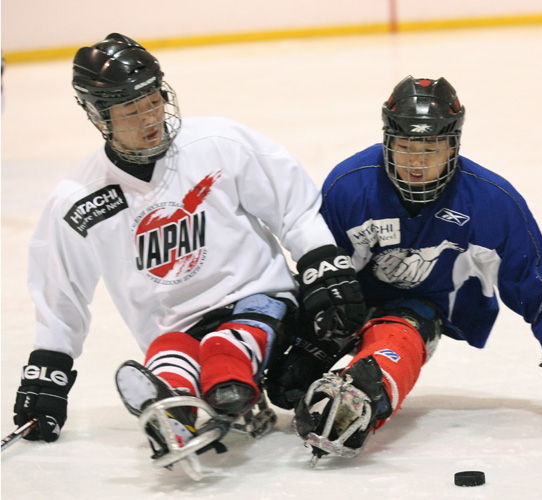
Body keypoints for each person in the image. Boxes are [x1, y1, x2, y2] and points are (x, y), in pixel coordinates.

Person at [11, 33, 366, 479]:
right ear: (100, 117)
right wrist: (49, 367)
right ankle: (174, 412)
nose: (149, 117)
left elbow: (292, 204)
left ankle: (219, 388)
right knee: (167, 353)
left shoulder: (218, 143)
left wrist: (320, 260)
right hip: (178, 327)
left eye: (153, 100)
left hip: (259, 301)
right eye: (130, 110)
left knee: (226, 343)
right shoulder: (80, 199)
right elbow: (60, 288)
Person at [267, 76, 542, 466]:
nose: (417, 162)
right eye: (405, 148)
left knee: (403, 332)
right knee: (287, 386)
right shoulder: (349, 185)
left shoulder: (491, 201)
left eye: (431, 149)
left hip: (419, 307)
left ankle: (365, 396)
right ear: (387, 141)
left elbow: (536, 282)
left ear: (454, 146)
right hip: (350, 300)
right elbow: (321, 263)